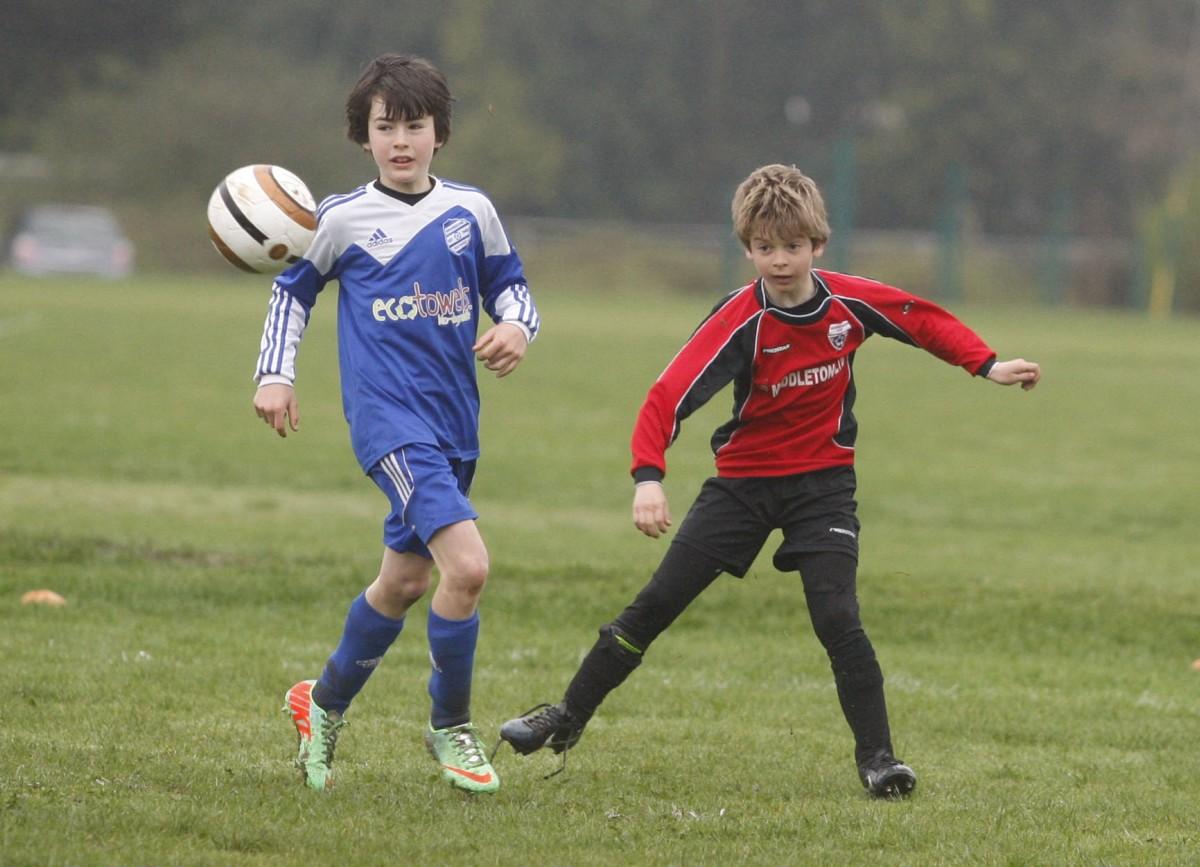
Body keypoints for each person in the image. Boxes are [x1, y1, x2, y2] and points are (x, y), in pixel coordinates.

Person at [498, 164, 1039, 798]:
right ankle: (565, 718)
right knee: (653, 608)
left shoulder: (848, 302)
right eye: (763, 248)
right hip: (742, 487)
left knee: (839, 617)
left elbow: (922, 319)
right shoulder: (739, 319)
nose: (778, 260)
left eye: (792, 247)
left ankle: (880, 761)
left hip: (823, 487)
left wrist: (987, 364)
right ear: (746, 247)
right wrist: (648, 477)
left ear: (817, 245)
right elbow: (667, 396)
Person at [253, 53, 539, 794]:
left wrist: (516, 327)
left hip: (454, 424)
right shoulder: (341, 218)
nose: (401, 140)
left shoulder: (469, 211)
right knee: (468, 567)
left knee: (404, 583)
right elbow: (292, 294)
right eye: (386, 127)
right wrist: (275, 374)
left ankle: (320, 704)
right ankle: (451, 727)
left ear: (439, 131)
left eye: (415, 125)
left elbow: (511, 285)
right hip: (388, 423)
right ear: (364, 135)